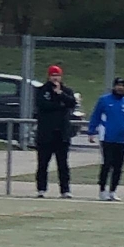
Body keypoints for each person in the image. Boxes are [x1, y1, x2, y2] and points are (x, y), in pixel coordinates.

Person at [88, 77, 124, 201]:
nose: (120, 88)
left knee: (118, 166)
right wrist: (91, 132)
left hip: (121, 139)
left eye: (122, 85)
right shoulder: (104, 100)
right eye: (118, 85)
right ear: (114, 86)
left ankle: (113, 191)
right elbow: (95, 116)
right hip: (107, 137)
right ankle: (102, 190)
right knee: (107, 164)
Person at [35, 65, 76, 198]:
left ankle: (65, 190)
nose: (55, 78)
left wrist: (60, 94)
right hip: (46, 134)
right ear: (49, 76)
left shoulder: (67, 91)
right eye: (53, 75)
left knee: (63, 164)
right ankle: (41, 189)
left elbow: (71, 103)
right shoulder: (42, 90)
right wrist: (60, 105)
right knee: (43, 164)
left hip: (62, 134)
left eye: (57, 75)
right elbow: (43, 106)